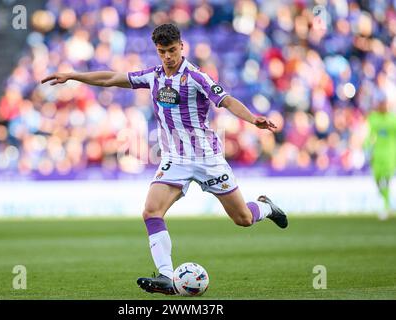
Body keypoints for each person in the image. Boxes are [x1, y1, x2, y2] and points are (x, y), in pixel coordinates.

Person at [41, 24, 288, 295]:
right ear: (157, 51)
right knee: (151, 211)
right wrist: (73, 76)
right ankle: (167, 277)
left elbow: (226, 101)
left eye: (172, 50)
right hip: (175, 159)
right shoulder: (153, 76)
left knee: (242, 218)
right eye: (162, 52)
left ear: (181, 46)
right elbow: (110, 78)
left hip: (207, 158)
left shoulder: (196, 76)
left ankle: (266, 208)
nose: (168, 56)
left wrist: (253, 119)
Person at [365, 100, 396, 220]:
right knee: (377, 179)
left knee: (386, 180)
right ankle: (384, 196)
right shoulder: (374, 119)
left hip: (390, 154)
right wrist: (368, 150)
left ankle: (386, 206)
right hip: (377, 155)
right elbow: (370, 136)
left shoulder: (393, 119)